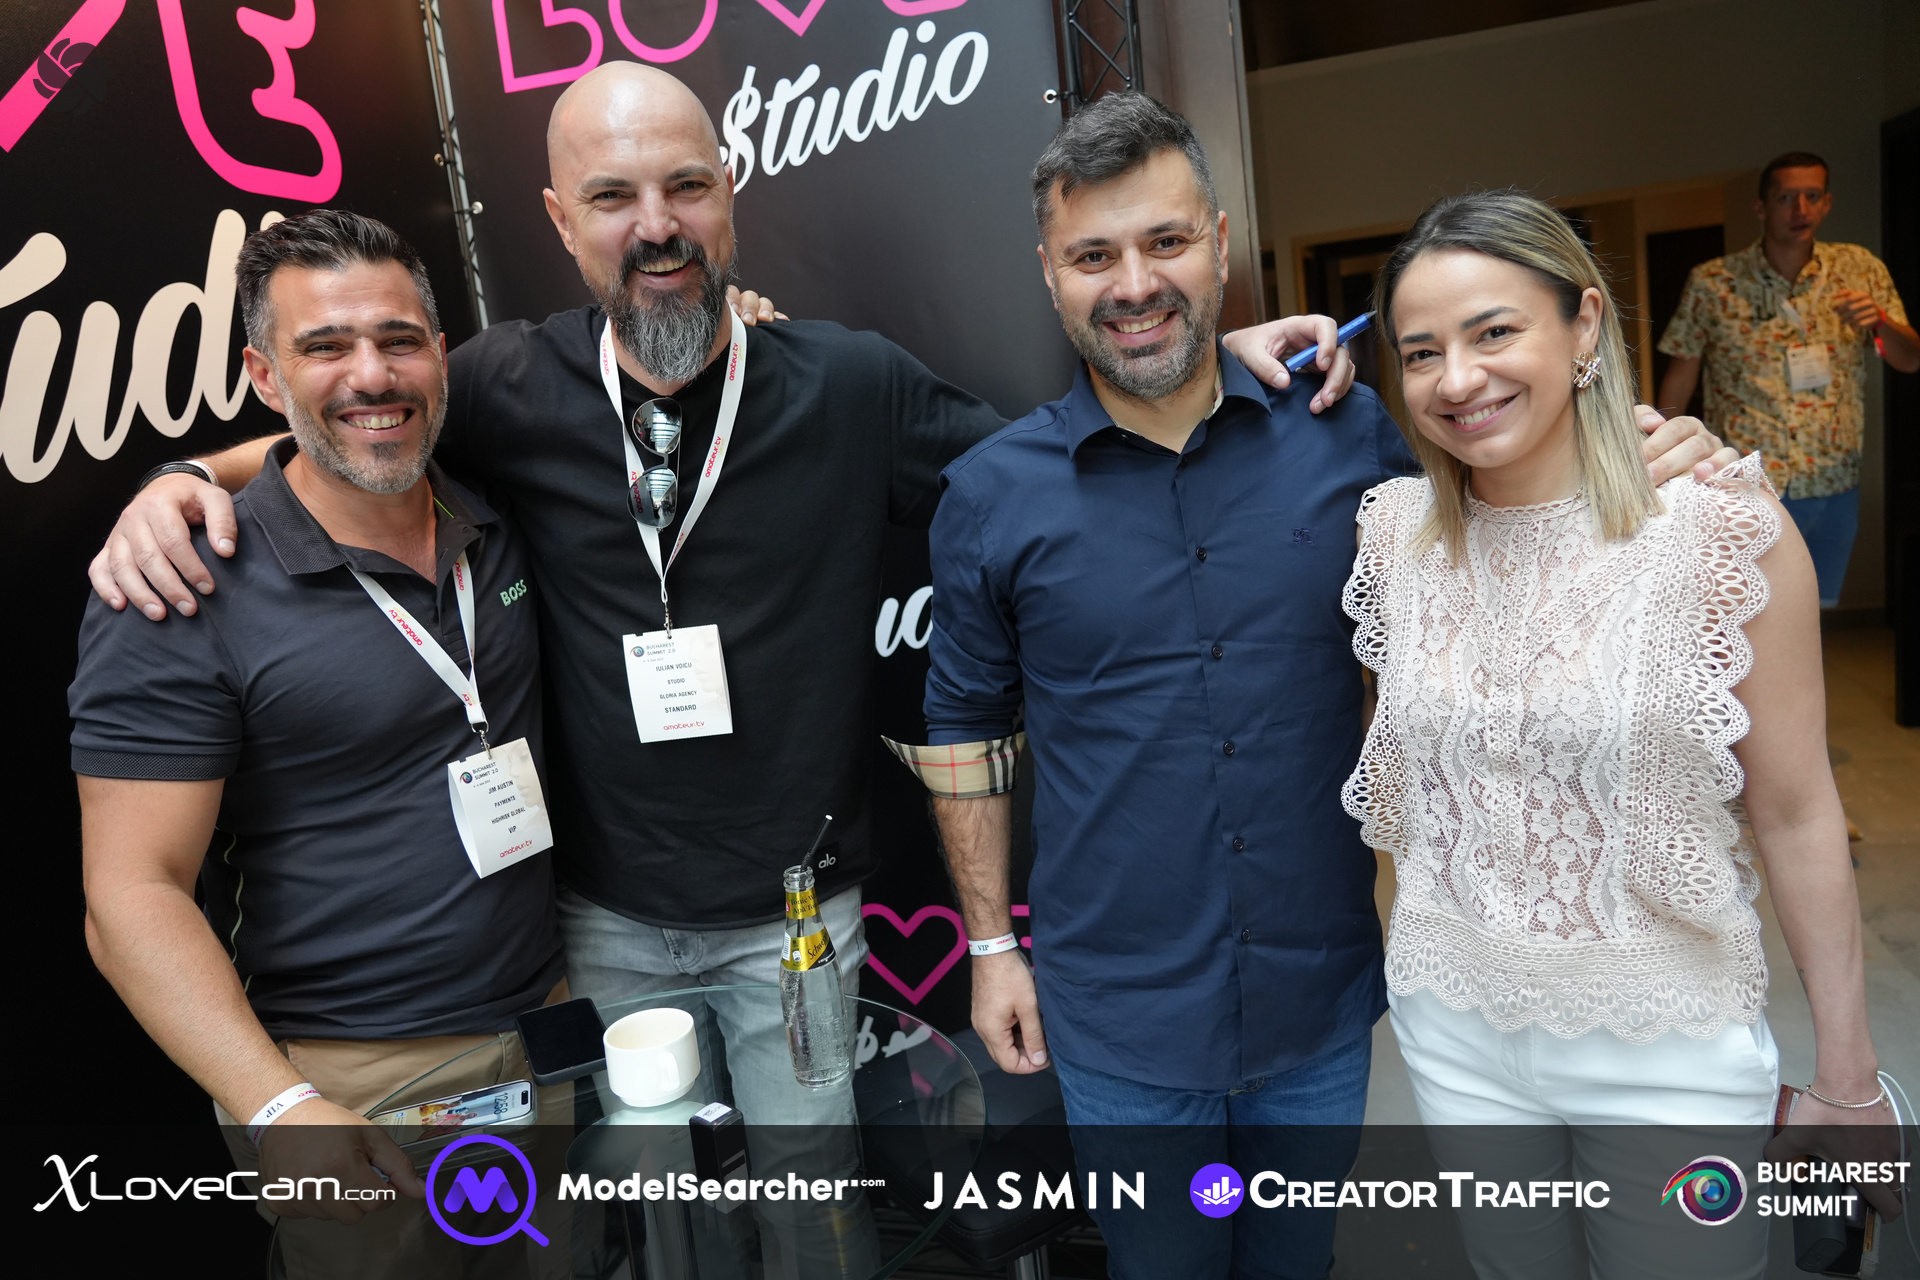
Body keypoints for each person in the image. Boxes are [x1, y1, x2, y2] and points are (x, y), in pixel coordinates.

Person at [80, 67, 1340, 1130]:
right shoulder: (504, 384)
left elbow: (1048, 464)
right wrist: (185, 477)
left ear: (729, 192)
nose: (656, 225)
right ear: (559, 219)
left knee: (808, 1214)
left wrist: (1195, 369)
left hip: (801, 915)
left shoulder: (851, 384)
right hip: (597, 924)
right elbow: (355, 424)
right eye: (612, 197)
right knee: (649, 1221)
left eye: (685, 186)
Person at [890, 95, 1735, 1280]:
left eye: (1166, 242)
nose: (1134, 283)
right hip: (1119, 1013)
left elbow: (1518, 512)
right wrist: (989, 946)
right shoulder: (991, 493)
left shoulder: (1349, 432)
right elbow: (963, 727)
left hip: (1319, 996)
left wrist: (1648, 448)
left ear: (1220, 244)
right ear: (1048, 272)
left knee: (1298, 1262)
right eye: (1093, 255)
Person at [1349, 188, 1897, 1279]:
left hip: (1668, 1046)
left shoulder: (1721, 529)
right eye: (1420, 353)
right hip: (1455, 1030)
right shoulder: (1394, 537)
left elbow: (1796, 813)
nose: (1457, 379)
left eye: (1494, 332)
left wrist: (1847, 1073)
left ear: (1584, 326)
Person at [72, 210, 569, 1275]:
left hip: (549, 1028)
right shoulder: (181, 586)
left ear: (441, 355)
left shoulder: (488, 513)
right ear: (265, 373)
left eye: (397, 340)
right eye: (325, 346)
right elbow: (129, 894)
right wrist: (277, 1105)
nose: (371, 375)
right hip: (359, 1083)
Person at [1657, 152, 1917, 609]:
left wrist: (1880, 320)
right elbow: (1681, 377)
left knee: (1817, 613)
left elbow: (1909, 359)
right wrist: (1666, 463)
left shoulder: (1859, 269)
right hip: (1747, 481)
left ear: (1827, 202)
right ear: (1761, 207)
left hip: (1833, 482)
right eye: (1786, 198)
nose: (1801, 209)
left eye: (1812, 196)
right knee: (1745, 613)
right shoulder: (1713, 281)